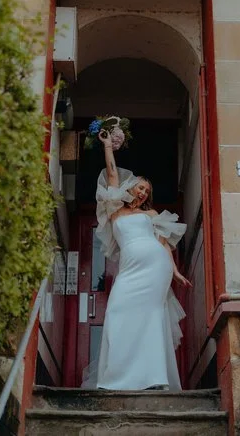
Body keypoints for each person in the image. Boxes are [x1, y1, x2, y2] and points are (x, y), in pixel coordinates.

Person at [86, 130, 192, 391]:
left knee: (151, 316)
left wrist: (175, 272)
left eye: (147, 190)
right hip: (130, 270)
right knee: (117, 312)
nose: (143, 192)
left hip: (157, 268)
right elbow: (111, 174)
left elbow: (163, 244)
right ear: (130, 187)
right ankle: (116, 377)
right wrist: (108, 147)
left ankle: (154, 377)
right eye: (140, 187)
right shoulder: (114, 210)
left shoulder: (152, 213)